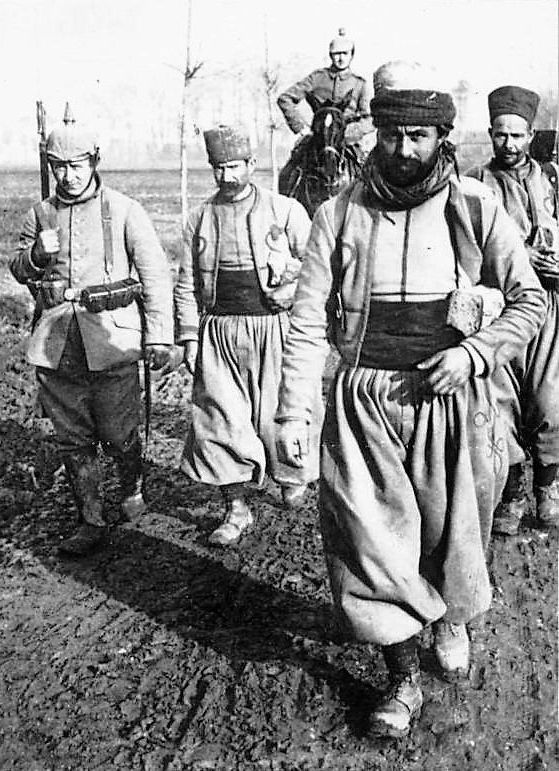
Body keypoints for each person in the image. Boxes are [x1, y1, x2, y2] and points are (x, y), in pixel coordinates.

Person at [274, 64, 546, 738]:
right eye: (392, 134)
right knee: (369, 539)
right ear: (377, 133)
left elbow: (529, 301)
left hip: (453, 398)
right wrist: (293, 412)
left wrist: (473, 354)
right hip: (364, 398)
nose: (403, 148)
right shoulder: (339, 213)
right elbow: (305, 322)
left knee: (455, 532)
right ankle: (400, 677)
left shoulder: (474, 208)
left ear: (441, 137)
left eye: (418, 135)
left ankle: (450, 618)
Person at [10, 117, 174, 557]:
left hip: (112, 340)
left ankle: (131, 486)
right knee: (72, 437)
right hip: (57, 342)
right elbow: (19, 269)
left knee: (118, 432)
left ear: (95, 162)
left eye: (77, 165)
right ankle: (90, 519)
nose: (68, 175)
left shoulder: (125, 210)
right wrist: (36, 254)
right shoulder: (39, 215)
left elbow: (155, 275)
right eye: (58, 166)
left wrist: (159, 337)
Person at [173, 125, 314, 548]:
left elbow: (317, 268)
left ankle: (290, 475)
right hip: (219, 332)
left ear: (252, 164)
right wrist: (189, 337)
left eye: (235, 166)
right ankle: (236, 507)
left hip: (274, 329)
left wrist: (291, 287)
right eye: (219, 168)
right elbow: (185, 283)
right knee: (219, 421)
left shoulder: (284, 211)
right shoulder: (199, 219)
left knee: (279, 413)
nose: (227, 176)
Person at [466, 86, 559, 534]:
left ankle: (548, 486)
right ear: (490, 134)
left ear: (531, 136)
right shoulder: (474, 183)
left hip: (548, 306)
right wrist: (520, 255)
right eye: (501, 135)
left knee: (548, 399)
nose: (509, 144)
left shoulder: (552, 179)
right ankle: (513, 493)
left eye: (518, 135)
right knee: (500, 403)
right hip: (498, 308)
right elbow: (467, 245)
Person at [277, 29, 373, 159]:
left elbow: (369, 119)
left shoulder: (359, 84)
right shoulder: (317, 78)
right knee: (294, 165)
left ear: (352, 55)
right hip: (318, 139)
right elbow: (285, 99)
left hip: (348, 141)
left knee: (365, 166)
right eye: (336, 54)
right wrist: (300, 127)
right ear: (330, 55)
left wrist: (351, 132)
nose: (341, 58)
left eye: (345, 54)